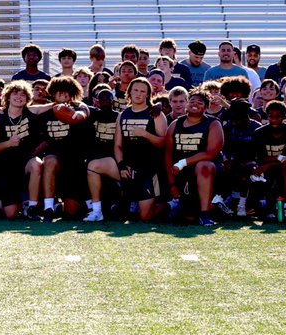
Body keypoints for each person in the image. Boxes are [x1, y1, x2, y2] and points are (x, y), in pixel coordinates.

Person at [85, 77, 167, 222]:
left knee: (144, 218)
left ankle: (169, 206)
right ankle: (96, 211)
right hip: (127, 167)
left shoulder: (155, 114)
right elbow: (117, 145)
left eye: (143, 91)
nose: (138, 94)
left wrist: (145, 134)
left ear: (148, 94)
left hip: (148, 170)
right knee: (93, 165)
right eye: (135, 90)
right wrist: (121, 165)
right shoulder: (122, 115)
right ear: (129, 92)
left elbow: (163, 143)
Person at [28, 76, 90, 221]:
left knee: (71, 213)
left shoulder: (79, 106)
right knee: (49, 161)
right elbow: (29, 109)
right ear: (53, 92)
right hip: (54, 155)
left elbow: (81, 115)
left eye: (66, 91)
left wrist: (71, 113)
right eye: (59, 91)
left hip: (74, 159)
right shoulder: (46, 110)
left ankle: (63, 206)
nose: (63, 94)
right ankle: (48, 207)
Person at [165, 89, 225, 226]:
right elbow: (167, 154)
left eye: (200, 102)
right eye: (192, 101)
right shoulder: (175, 124)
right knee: (189, 217)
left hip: (207, 173)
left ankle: (206, 213)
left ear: (206, 107)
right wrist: (172, 184)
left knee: (204, 165)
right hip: (182, 174)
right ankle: (213, 206)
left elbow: (211, 153)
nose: (195, 104)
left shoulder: (213, 124)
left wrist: (183, 162)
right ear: (186, 104)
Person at [0, 81, 43, 220]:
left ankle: (32, 207)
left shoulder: (31, 112)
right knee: (10, 214)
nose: (19, 97)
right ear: (7, 96)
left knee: (37, 164)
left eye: (23, 94)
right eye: (15, 93)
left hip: (25, 162)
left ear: (28, 98)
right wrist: (9, 143)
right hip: (6, 168)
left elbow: (54, 105)